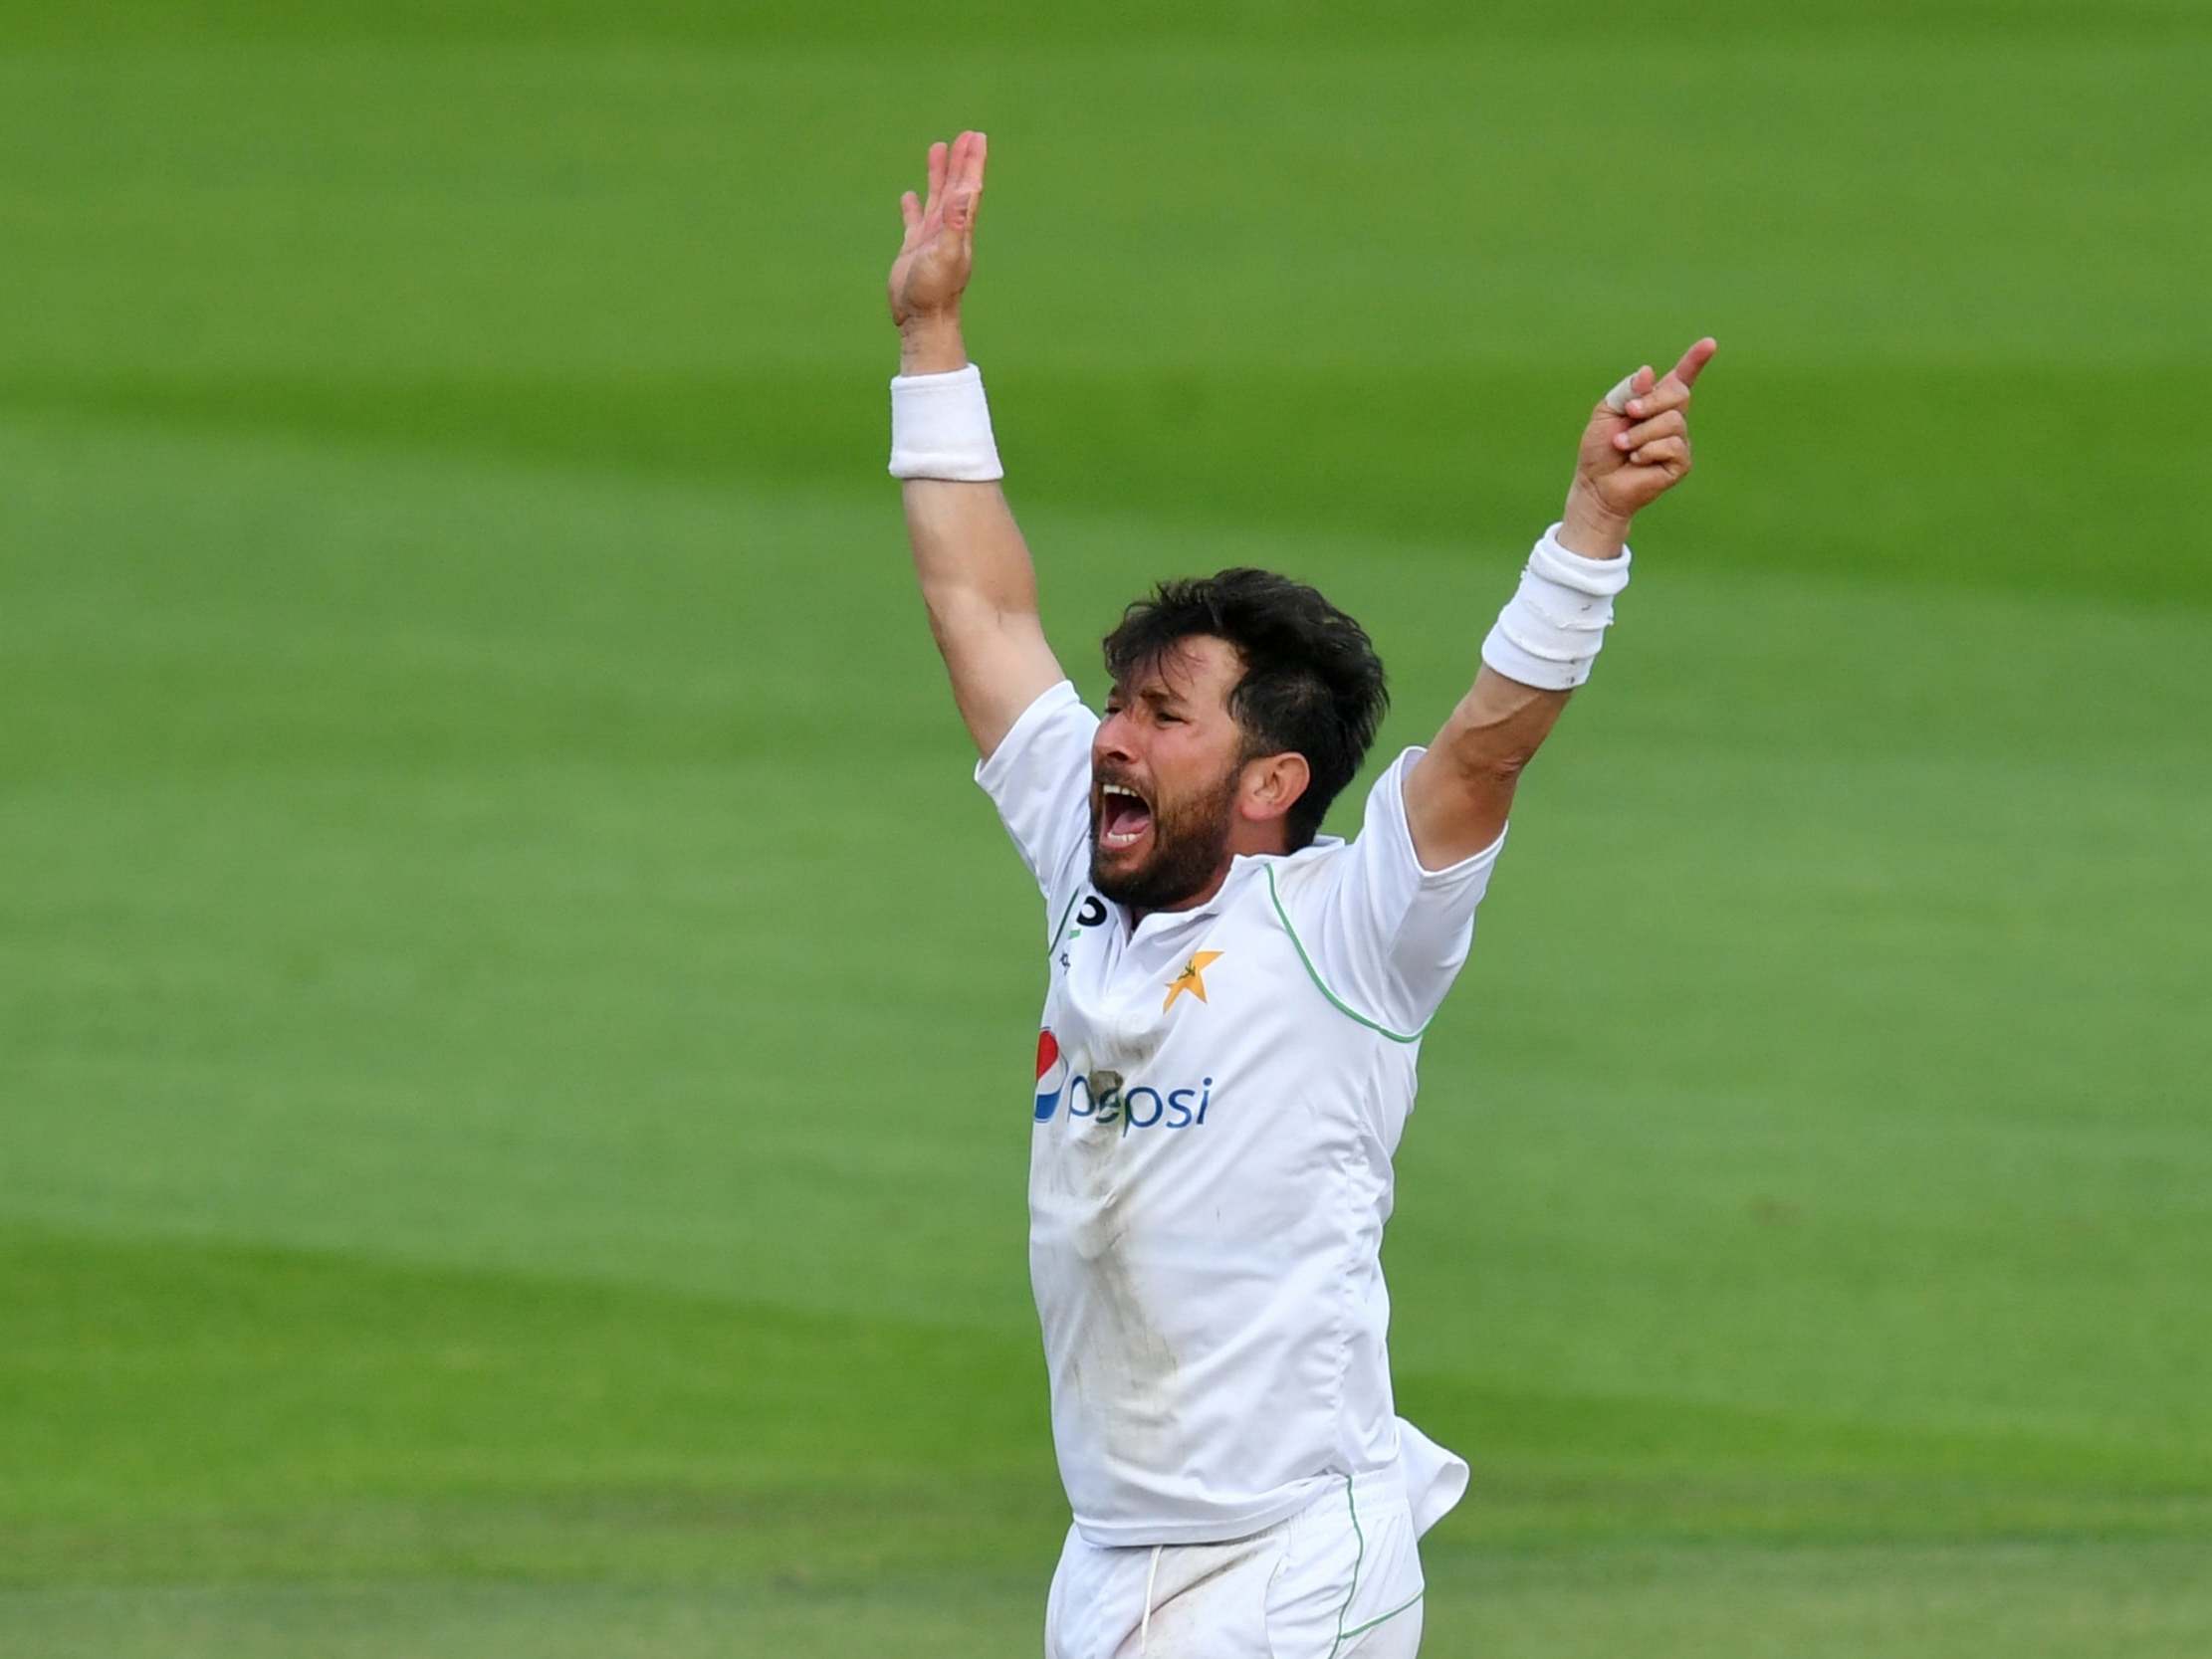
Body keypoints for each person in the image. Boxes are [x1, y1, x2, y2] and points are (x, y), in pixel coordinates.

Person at [887, 129, 1715, 1659]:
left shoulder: (1351, 929)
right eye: (1116, 704)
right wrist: (930, 334)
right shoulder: (1091, 858)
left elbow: (1483, 747)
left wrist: (1588, 531)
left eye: (1159, 716)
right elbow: (980, 608)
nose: (1110, 737)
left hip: (1289, 1557)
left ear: (1270, 783)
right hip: (1109, 1560)